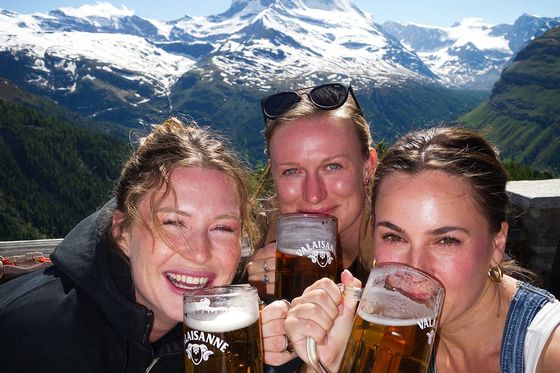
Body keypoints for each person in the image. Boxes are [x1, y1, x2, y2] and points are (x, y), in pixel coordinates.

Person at [284, 126, 560, 372]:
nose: (414, 269)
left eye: (446, 240)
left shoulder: (546, 349)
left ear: (497, 244)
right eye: (394, 237)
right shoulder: (375, 332)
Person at [0, 117, 260, 372]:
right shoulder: (39, 338)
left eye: (223, 228)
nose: (200, 253)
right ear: (121, 232)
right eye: (173, 222)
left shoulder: (212, 334)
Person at [246, 82, 377, 302]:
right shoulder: (252, 240)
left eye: (332, 166)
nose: (313, 195)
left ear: (368, 166)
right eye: (292, 171)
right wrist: (261, 304)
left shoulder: (401, 253)